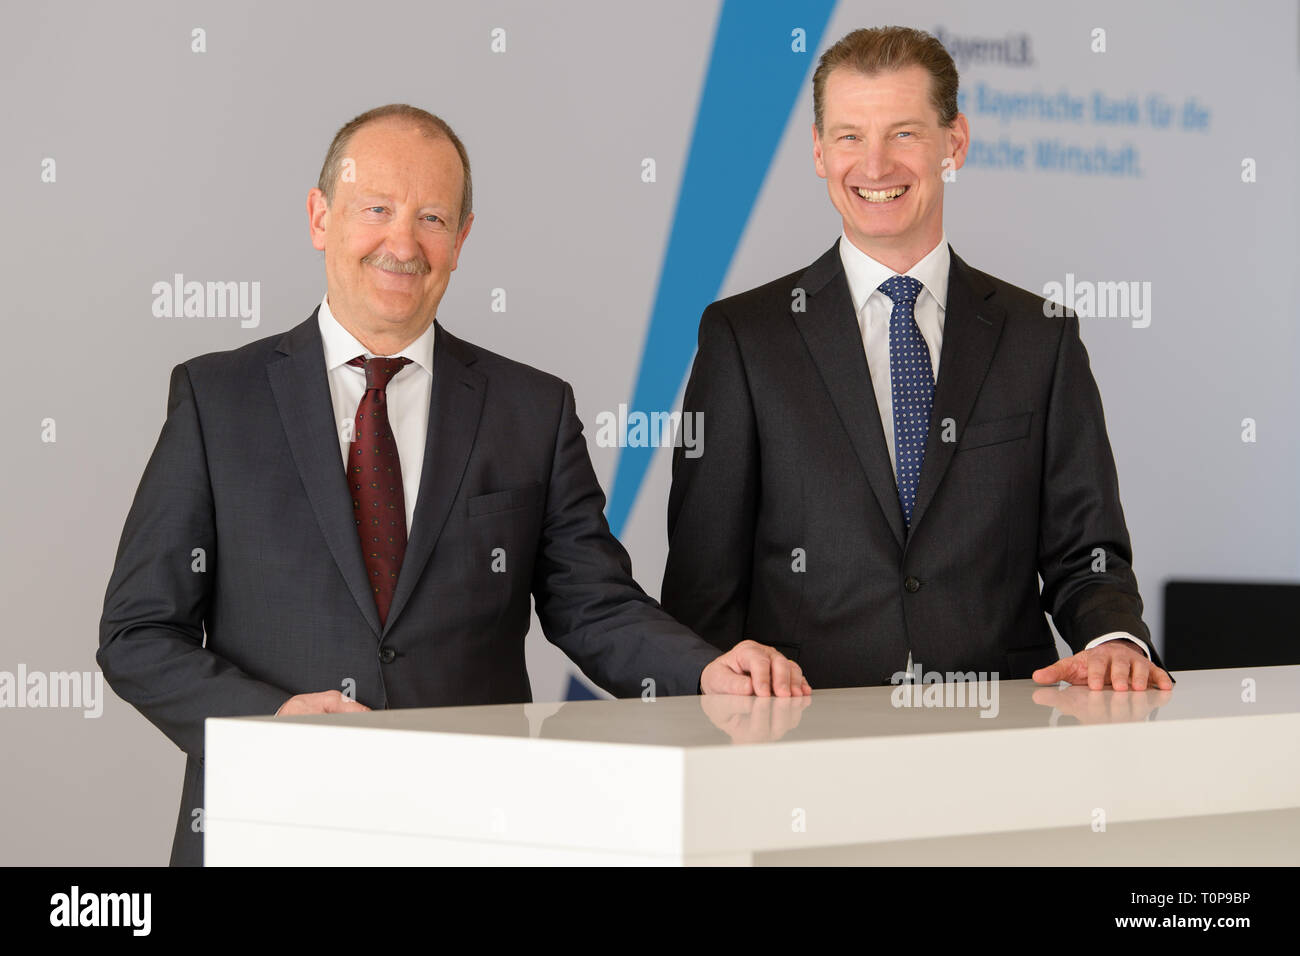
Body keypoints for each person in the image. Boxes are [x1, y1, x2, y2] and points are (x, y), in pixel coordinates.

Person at [98, 103, 809, 867]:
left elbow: (593, 604)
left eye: (432, 217)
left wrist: (703, 668)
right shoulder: (217, 399)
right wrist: (269, 720)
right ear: (319, 217)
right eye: (376, 209)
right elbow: (138, 635)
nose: (402, 243)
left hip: (474, 829)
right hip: (266, 827)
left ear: (462, 239)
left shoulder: (531, 409)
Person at [661, 27, 1174, 695]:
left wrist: (1113, 640)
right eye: (849, 136)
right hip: (801, 738)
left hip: (999, 737)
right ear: (819, 151)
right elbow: (704, 586)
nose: (874, 166)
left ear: (953, 142)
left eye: (902, 133)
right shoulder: (743, 336)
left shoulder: (1039, 336)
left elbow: (1088, 554)